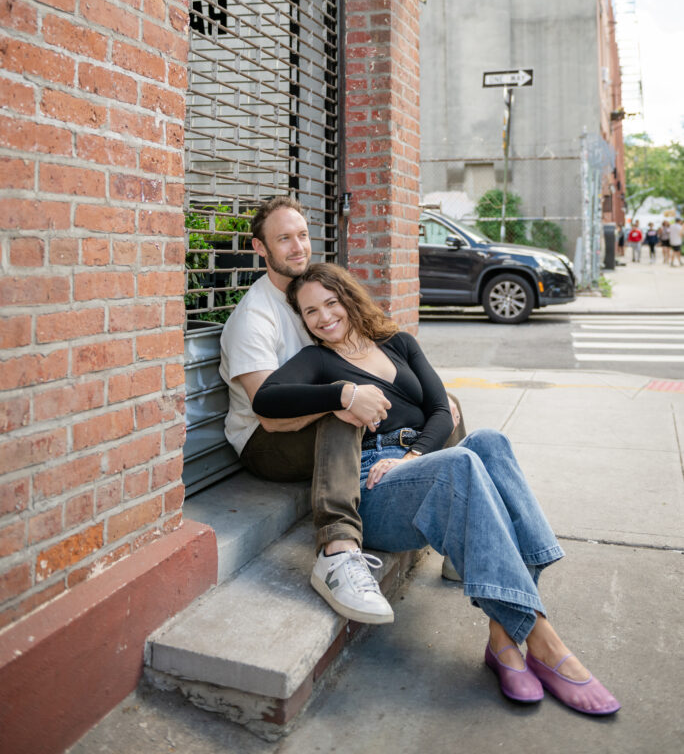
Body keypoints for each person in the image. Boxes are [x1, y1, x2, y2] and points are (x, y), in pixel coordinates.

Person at [253, 263, 621, 716]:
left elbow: (441, 412)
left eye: (331, 303)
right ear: (303, 320)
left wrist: (413, 458)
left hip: (415, 463)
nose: (324, 317)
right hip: (373, 486)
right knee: (461, 462)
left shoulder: (399, 344)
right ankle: (542, 639)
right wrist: (341, 394)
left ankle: (504, 640)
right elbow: (265, 399)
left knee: (490, 441)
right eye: (310, 312)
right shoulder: (317, 361)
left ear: (349, 297)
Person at [219, 197, 463, 626]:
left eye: (302, 235)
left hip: (316, 426)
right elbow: (270, 415)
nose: (297, 247)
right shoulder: (254, 318)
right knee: (340, 408)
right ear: (261, 249)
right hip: (265, 442)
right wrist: (343, 396)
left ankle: (459, 538)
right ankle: (337, 553)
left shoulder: (309, 293)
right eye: (283, 239)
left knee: (445, 407)